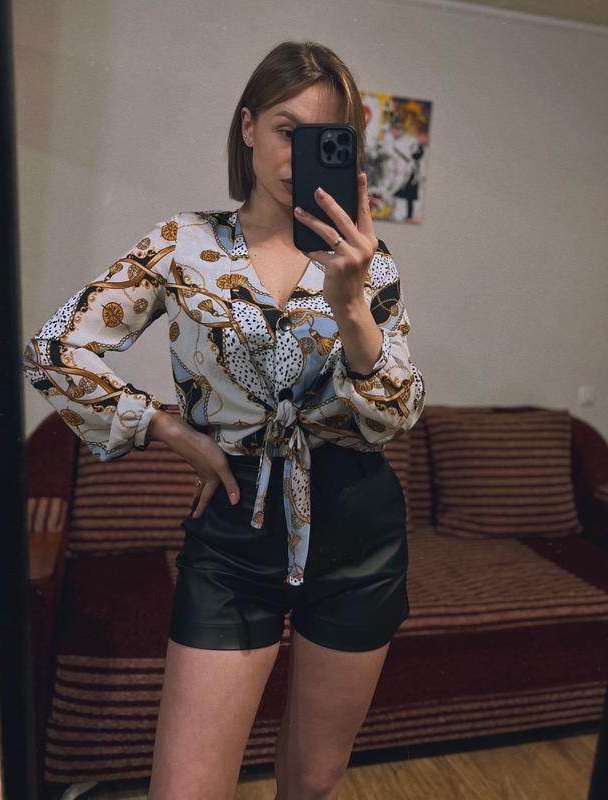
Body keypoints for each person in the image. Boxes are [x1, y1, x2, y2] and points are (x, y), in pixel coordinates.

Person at [23, 39, 426, 800]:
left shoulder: (369, 263)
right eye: (285, 129)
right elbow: (55, 350)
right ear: (247, 126)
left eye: (322, 138)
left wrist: (350, 306)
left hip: (358, 531)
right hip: (237, 526)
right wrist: (169, 430)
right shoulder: (185, 244)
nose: (297, 156)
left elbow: (396, 416)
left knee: (314, 780)